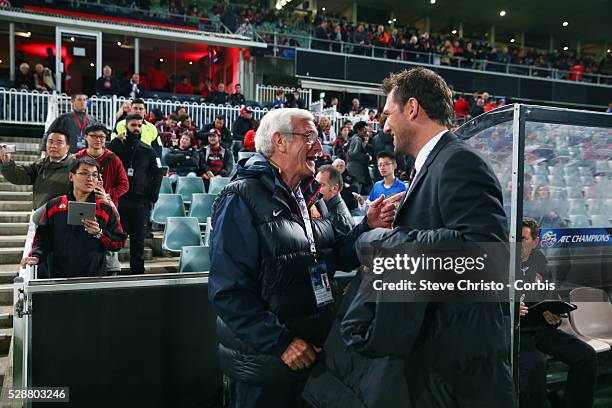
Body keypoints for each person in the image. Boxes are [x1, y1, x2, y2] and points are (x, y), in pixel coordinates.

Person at [303, 67, 514, 407]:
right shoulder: (433, 165)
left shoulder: (459, 161)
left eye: (388, 114)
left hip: (458, 367)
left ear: (412, 108)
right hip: (434, 359)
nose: (384, 126)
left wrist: (379, 243)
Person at [208, 108, 398, 408]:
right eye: (309, 137)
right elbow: (229, 290)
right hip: (268, 366)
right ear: (279, 142)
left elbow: (336, 256)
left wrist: (367, 226)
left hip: (312, 357)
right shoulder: (240, 197)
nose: (320, 147)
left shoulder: (309, 197)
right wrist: (281, 343)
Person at [518, 218, 597, 408]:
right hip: (517, 333)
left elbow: (549, 293)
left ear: (535, 241)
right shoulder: (502, 261)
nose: (517, 244)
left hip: (541, 328)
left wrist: (550, 311)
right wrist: (510, 307)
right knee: (534, 367)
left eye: (523, 239)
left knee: (586, 355)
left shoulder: (539, 259)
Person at [21, 157, 126, 278]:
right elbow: (42, 238)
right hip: (57, 277)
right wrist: (36, 255)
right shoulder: (55, 205)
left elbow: (119, 242)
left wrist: (99, 233)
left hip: (93, 278)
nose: (90, 179)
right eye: (84, 173)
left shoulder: (105, 209)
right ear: (71, 176)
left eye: (94, 175)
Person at [108, 114, 162, 274]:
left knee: (138, 239)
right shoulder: (116, 147)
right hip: (119, 200)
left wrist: (153, 196)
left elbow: (158, 173)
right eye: (133, 125)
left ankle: (137, 272)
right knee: (114, 236)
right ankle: (111, 269)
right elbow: (105, 158)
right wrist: (115, 140)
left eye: (139, 125)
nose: (137, 128)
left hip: (140, 201)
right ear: (126, 126)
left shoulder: (148, 150)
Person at [75, 124, 129, 274]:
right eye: (94, 136)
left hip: (106, 206)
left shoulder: (113, 158)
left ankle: (111, 271)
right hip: (81, 203)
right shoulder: (77, 157)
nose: (98, 140)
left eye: (102, 137)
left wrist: (107, 194)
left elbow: (124, 185)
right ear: (86, 137)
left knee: (109, 240)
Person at [1, 131, 75, 209]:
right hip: (40, 214)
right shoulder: (39, 164)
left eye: (59, 143)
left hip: (62, 214)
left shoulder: (75, 166)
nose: (53, 146)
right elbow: (18, 176)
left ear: (67, 147)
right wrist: (7, 162)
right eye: (50, 142)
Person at [316, 164, 354, 235]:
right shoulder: (326, 206)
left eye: (321, 185)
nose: (315, 188)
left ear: (334, 188)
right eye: (315, 183)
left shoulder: (338, 219)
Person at [346, 120, 372, 194]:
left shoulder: (355, 138)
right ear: (358, 130)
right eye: (364, 129)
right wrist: (367, 157)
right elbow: (353, 153)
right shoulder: (357, 139)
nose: (366, 131)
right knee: (357, 191)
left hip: (355, 169)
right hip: (356, 169)